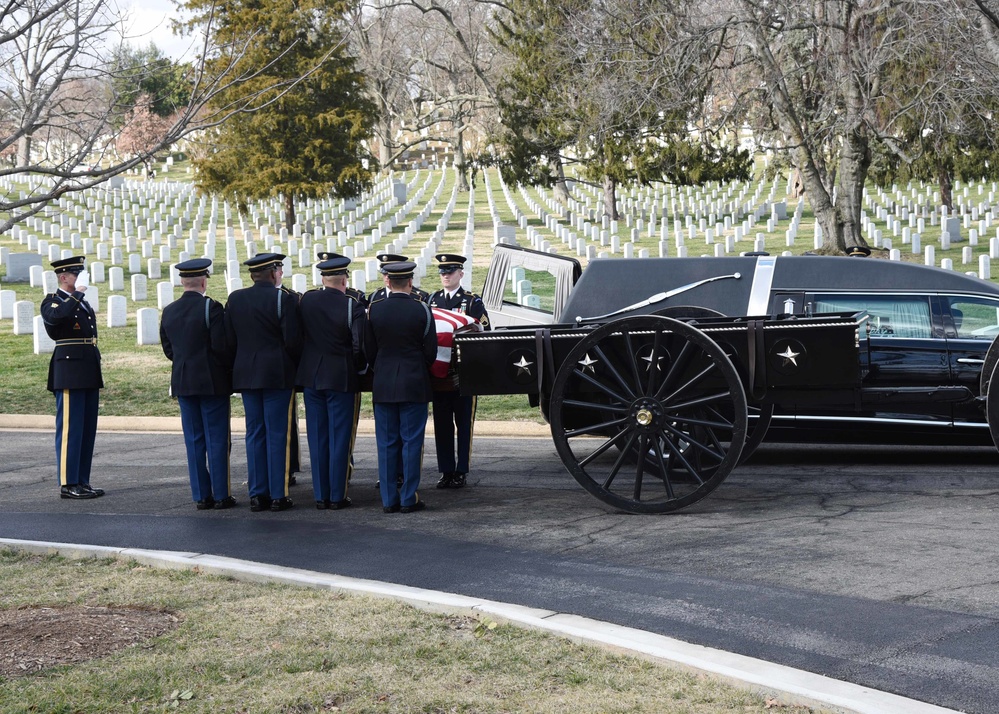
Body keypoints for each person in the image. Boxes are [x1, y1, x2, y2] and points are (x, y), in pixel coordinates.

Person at [224, 253, 302, 512]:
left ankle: (258, 494)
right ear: (273, 273)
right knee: (278, 433)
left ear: (251, 275)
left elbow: (230, 340)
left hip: (247, 374)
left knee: (254, 433)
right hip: (277, 374)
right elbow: (292, 341)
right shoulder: (283, 299)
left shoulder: (235, 299)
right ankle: (278, 494)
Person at [159, 258, 236, 510]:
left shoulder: (169, 310)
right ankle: (221, 494)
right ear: (203, 281)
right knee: (217, 439)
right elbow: (221, 347)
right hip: (212, 382)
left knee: (194, 440)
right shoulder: (211, 308)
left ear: (182, 281)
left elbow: (168, 350)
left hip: (183, 381)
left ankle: (202, 496)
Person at [364, 261, 437, 513]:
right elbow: (431, 351)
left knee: (386, 443)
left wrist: (383, 367)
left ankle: (388, 499)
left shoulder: (374, 309)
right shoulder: (423, 310)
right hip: (414, 381)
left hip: (383, 382)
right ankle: (408, 497)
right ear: (410, 282)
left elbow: (369, 350)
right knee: (411, 442)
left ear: (388, 281)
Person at [296, 256, 366, 510]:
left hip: (312, 376)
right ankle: (337, 496)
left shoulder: (306, 300)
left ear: (322, 279)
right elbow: (359, 345)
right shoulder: (352, 305)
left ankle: (320, 495)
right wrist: (360, 368)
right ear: (345, 279)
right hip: (341, 377)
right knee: (339, 437)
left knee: (317, 437)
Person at [40, 256, 105, 499]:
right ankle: (68, 483)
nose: (81, 278)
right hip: (68, 371)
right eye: (76, 274)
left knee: (87, 429)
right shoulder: (52, 302)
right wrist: (77, 294)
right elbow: (56, 319)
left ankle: (82, 480)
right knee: (70, 429)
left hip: (87, 367)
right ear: (63, 277)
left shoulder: (81, 302)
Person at [427, 253, 490, 489]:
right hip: (440, 374)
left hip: (464, 375)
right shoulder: (432, 300)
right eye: (442, 272)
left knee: (463, 424)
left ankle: (461, 470)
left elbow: (485, 331)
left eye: (450, 272)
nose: (445, 276)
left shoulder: (472, 302)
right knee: (442, 424)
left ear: (460, 274)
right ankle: (446, 470)